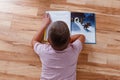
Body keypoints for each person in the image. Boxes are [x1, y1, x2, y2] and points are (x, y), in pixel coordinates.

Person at [31, 13, 85, 80]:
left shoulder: (44, 50)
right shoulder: (74, 49)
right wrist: (67, 41)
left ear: (48, 41)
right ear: (69, 39)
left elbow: (34, 41)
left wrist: (44, 25)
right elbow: (81, 36)